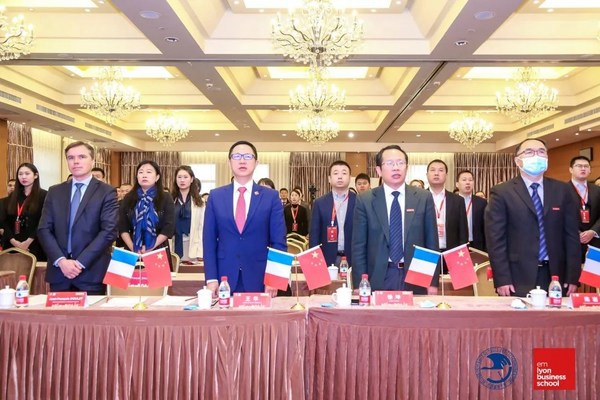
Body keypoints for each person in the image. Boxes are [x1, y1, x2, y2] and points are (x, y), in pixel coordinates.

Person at [485, 138, 580, 297]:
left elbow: (571, 236)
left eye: (541, 152)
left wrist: (573, 276)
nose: (536, 155)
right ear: (518, 161)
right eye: (529, 152)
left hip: (556, 276)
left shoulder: (562, 190)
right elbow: (495, 239)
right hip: (517, 276)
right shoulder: (502, 192)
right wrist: (502, 278)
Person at [203, 141, 287, 297]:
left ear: (256, 162)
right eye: (237, 156)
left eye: (248, 156)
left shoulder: (271, 197)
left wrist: (274, 279)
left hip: (261, 277)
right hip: (224, 278)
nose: (242, 161)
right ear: (229, 162)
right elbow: (209, 241)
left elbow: (279, 242)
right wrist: (211, 278)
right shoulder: (216, 196)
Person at [352, 145, 439, 293]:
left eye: (400, 163)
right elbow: (358, 246)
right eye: (390, 163)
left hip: (416, 275)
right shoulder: (365, 200)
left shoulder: (423, 197)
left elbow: (431, 242)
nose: (396, 168)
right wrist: (359, 283)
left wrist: (432, 282)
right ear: (379, 170)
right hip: (378, 276)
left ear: (406, 167)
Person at [38, 141, 118, 294]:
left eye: (81, 157)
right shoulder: (55, 192)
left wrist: (80, 263)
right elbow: (44, 229)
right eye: (71, 158)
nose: (76, 161)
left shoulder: (106, 192)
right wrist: (61, 261)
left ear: (92, 161)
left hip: (91, 272)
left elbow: (109, 231)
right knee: (58, 311)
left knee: (92, 312)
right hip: (60, 272)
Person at [118, 161, 175, 264]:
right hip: (131, 248)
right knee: (132, 275)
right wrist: (133, 247)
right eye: (141, 172)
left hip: (157, 248)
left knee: (156, 275)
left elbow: (169, 227)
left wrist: (150, 247)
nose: (144, 175)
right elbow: (122, 227)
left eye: (149, 172)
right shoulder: (128, 198)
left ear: (157, 177)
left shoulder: (166, 197)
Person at [310, 161, 356, 267]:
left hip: (353, 259)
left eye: (344, 173)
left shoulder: (359, 202)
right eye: (335, 173)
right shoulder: (320, 203)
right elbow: (314, 236)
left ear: (350, 178)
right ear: (329, 179)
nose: (340, 177)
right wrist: (315, 262)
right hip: (326, 259)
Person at [2, 163, 48, 261]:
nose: (23, 177)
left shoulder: (45, 196)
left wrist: (27, 243)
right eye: (20, 174)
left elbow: (44, 221)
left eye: (27, 173)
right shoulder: (12, 196)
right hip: (12, 245)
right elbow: (4, 222)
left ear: (35, 175)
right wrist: (14, 242)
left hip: (35, 244)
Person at [426, 160, 468, 256]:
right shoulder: (419, 199)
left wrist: (462, 253)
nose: (436, 173)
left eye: (441, 170)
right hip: (426, 253)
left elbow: (463, 232)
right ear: (427, 175)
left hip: (452, 252)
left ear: (446, 175)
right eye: (433, 170)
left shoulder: (458, 200)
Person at [567, 155, 600, 262]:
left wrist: (593, 231)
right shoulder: (561, 190)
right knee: (573, 271)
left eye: (586, 166)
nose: (583, 168)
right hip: (570, 240)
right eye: (579, 166)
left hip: (595, 241)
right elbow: (558, 216)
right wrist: (575, 232)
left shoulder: (597, 190)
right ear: (571, 169)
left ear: (590, 170)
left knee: (593, 272)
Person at [172, 166, 205, 262]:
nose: (182, 180)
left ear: (191, 179)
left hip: (193, 243)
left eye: (185, 177)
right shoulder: (170, 200)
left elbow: (202, 227)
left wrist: (201, 250)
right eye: (179, 177)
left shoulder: (200, 202)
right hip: (174, 242)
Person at [456, 170, 487, 251]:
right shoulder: (452, 201)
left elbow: (485, 228)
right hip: (456, 246)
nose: (468, 182)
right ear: (457, 184)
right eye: (464, 180)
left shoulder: (482, 202)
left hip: (476, 245)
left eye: (470, 180)